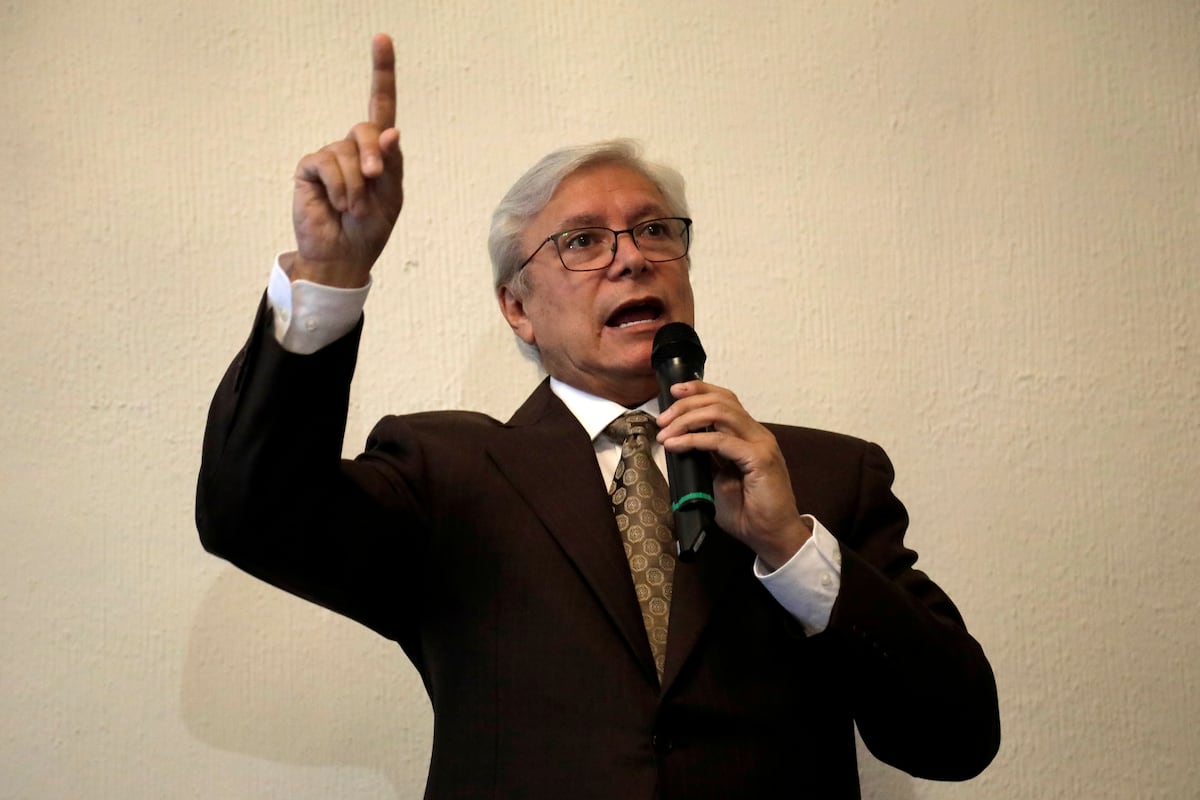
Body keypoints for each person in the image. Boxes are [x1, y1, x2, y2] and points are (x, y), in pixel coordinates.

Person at [196, 33, 999, 800]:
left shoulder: (824, 480)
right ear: (518, 308)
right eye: (581, 242)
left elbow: (957, 736)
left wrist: (791, 548)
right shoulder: (450, 476)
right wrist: (329, 277)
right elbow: (252, 514)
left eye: (654, 230)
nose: (631, 257)